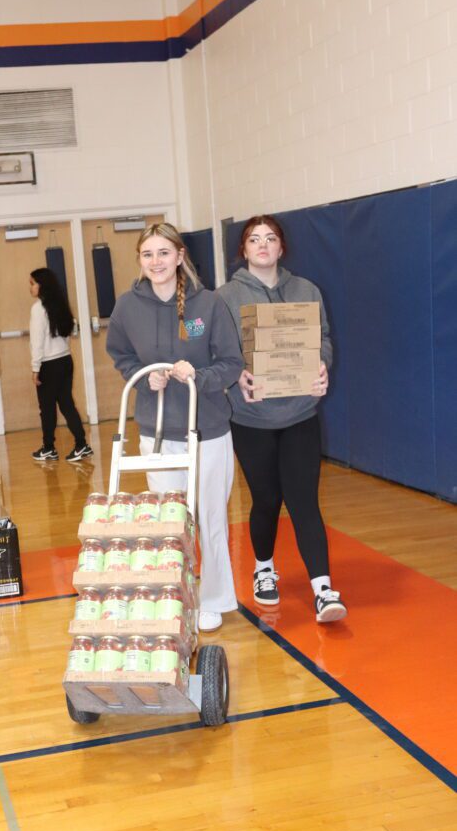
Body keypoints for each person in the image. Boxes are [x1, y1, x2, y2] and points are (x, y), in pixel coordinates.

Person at [106, 222, 244, 633]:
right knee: (169, 519)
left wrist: (197, 376)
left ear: (180, 255)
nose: (156, 262)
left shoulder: (209, 304)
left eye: (163, 253)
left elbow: (231, 364)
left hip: (208, 429)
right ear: (140, 260)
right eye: (148, 254)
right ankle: (176, 597)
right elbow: (121, 354)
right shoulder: (127, 307)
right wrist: (143, 375)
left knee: (210, 516)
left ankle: (215, 598)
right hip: (158, 429)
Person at [216, 214, 347, 624]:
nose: (262, 245)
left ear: (281, 246)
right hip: (251, 418)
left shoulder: (306, 290)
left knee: (304, 500)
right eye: (254, 239)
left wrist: (322, 364)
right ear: (244, 250)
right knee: (268, 500)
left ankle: (323, 590)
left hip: (300, 414)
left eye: (270, 238)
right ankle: (263, 568)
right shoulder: (224, 298)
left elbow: (322, 337)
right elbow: (218, 352)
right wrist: (237, 375)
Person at [28, 267, 93, 463]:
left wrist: (35, 368)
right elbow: (71, 330)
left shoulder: (39, 308)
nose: (30, 288)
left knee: (47, 408)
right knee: (66, 404)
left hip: (49, 364)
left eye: (33, 283)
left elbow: (37, 341)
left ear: (42, 285)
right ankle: (81, 444)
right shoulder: (60, 304)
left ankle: (49, 447)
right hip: (65, 361)